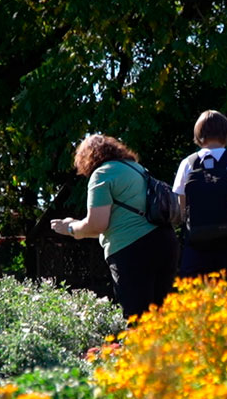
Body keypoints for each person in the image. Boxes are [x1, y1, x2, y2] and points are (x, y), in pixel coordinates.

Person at [51, 134, 178, 319]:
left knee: (137, 319)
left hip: (134, 252)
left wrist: (70, 228)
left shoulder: (103, 173)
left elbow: (97, 225)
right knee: (161, 318)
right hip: (166, 243)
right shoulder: (137, 168)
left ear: (86, 158)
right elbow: (116, 225)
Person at [171, 110, 227, 281]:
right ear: (226, 132)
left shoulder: (187, 164)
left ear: (198, 133)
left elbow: (180, 212)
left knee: (195, 300)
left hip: (196, 243)